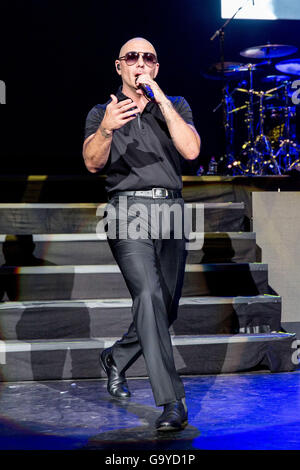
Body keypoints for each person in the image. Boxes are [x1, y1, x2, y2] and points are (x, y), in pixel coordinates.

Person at [83, 37, 201, 432]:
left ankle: (116, 358)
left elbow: (191, 151)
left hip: (171, 211)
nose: (140, 62)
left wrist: (162, 101)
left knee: (164, 308)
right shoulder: (104, 111)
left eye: (148, 57)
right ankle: (172, 402)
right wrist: (105, 129)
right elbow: (92, 163)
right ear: (119, 66)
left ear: (156, 66)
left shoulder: (177, 106)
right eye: (132, 57)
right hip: (126, 212)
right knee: (148, 295)